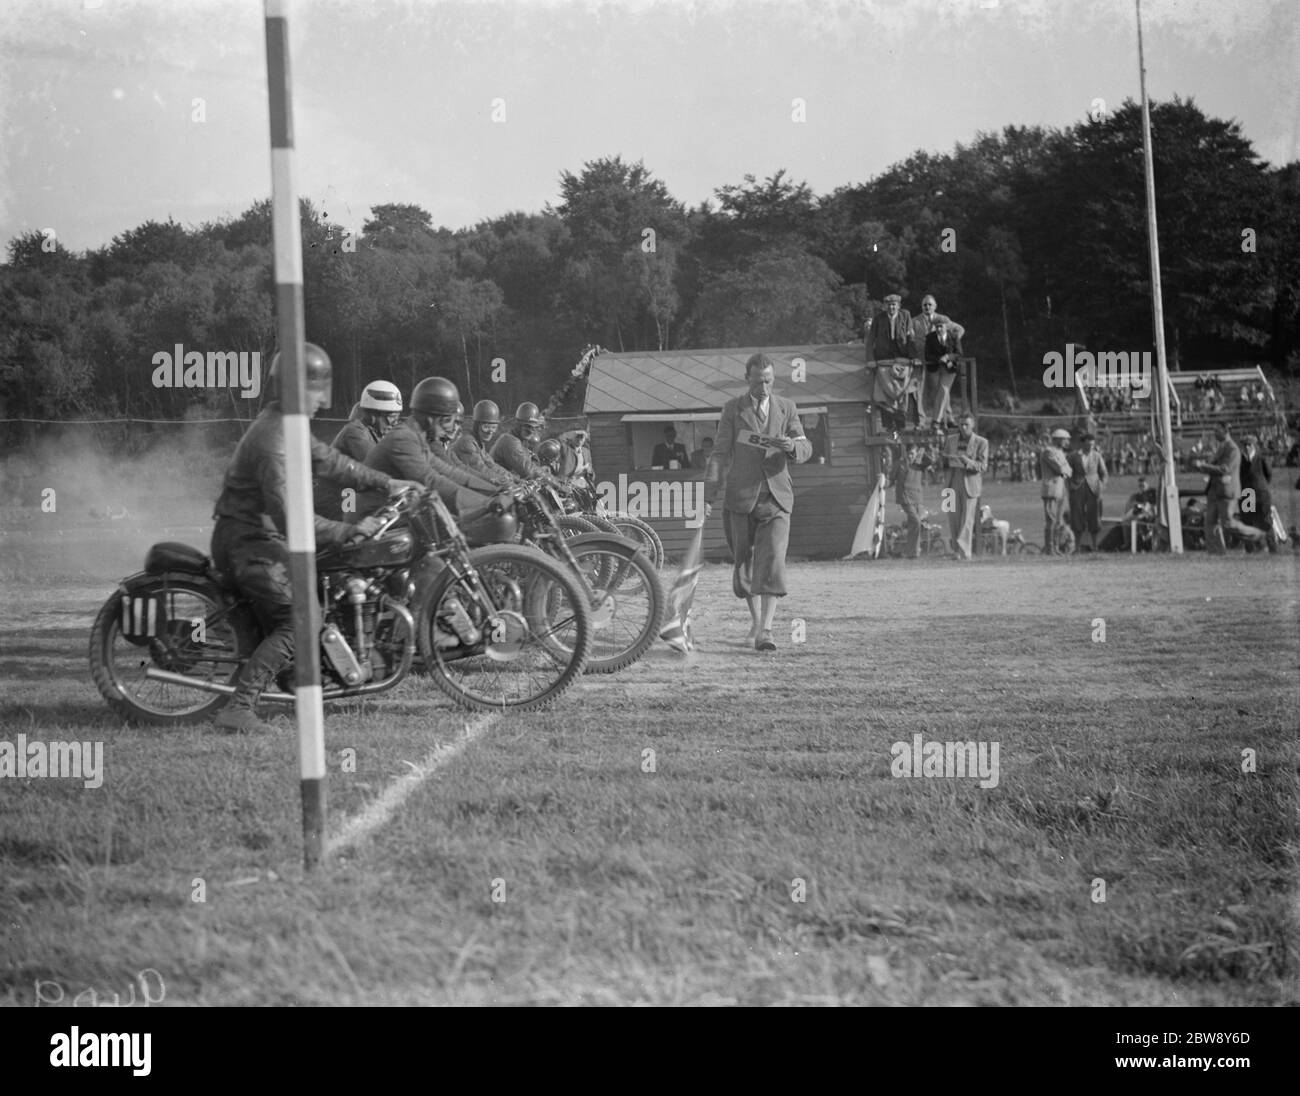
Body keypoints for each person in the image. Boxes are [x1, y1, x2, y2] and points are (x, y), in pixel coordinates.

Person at [210, 344, 418, 734]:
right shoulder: (272, 438)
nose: (323, 400)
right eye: (315, 389)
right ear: (290, 389)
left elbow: (332, 463)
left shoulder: (288, 426)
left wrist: (388, 482)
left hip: (259, 538)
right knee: (303, 619)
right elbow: (288, 515)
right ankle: (239, 706)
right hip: (248, 541)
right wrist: (347, 529)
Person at [704, 352, 812, 651]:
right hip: (740, 500)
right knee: (745, 566)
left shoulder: (787, 407)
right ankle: (754, 621)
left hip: (777, 499)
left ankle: (766, 630)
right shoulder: (732, 409)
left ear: (773, 379)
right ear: (746, 379)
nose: (764, 387)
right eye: (758, 381)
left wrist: (793, 447)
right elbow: (720, 454)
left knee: (773, 560)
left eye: (769, 381)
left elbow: (804, 445)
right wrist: (708, 495)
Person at [355, 376, 503, 521]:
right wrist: (485, 502)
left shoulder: (418, 437)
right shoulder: (403, 438)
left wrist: (494, 491)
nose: (450, 427)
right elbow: (431, 480)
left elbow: (450, 471)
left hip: (391, 510)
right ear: (429, 419)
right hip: (371, 518)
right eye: (446, 420)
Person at [316, 379, 404, 520]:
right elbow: (379, 467)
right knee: (366, 527)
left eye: (397, 418)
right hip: (338, 500)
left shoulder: (377, 434)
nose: (394, 424)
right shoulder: (355, 432)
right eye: (391, 417)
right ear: (374, 415)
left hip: (350, 496)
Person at [1194, 422, 1266, 554]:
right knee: (1209, 522)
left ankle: (1257, 535)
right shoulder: (1221, 447)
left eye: (1217, 430)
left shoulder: (1232, 449)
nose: (1215, 433)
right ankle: (1216, 552)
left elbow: (1225, 469)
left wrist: (1203, 466)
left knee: (1228, 524)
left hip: (1226, 491)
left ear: (1226, 431)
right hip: (1214, 490)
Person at [941, 413, 988, 560]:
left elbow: (983, 466)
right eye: (961, 424)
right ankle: (956, 551)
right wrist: (946, 460)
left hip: (970, 483)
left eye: (967, 424)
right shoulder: (950, 440)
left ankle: (964, 551)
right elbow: (943, 461)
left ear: (973, 425)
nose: (963, 427)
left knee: (967, 520)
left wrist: (968, 461)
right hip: (950, 483)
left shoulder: (982, 442)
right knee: (952, 518)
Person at [450, 399, 513, 486]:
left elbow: (492, 465)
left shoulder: (479, 443)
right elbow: (481, 470)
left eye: (494, 427)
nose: (490, 432)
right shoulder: (467, 442)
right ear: (476, 426)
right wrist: (508, 483)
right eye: (486, 427)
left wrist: (516, 479)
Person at [1067, 433, 1108, 552]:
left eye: (1092, 444)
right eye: (1088, 444)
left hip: (1093, 489)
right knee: (1076, 517)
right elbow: (1066, 472)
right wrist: (1070, 484)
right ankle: (1077, 547)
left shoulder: (1097, 456)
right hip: (1077, 489)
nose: (1090, 447)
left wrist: (1101, 485)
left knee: (1094, 517)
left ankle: (1095, 546)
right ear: (1082, 443)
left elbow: (1104, 473)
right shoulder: (1073, 456)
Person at [1238, 434, 1279, 553]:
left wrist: (1261, 486)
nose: (1247, 447)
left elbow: (1268, 474)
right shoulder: (1240, 459)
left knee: (1265, 521)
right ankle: (1250, 549)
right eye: (1244, 445)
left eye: (1249, 444)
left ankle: (1272, 548)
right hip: (1247, 493)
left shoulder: (1261, 458)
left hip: (1261, 494)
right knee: (1247, 521)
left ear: (1254, 445)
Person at [920, 318, 963, 428]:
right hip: (934, 368)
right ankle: (949, 419)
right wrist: (939, 359)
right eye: (937, 326)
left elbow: (959, 354)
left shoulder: (953, 337)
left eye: (941, 326)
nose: (939, 329)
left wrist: (948, 356)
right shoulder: (930, 338)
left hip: (949, 369)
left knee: (943, 390)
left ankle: (936, 421)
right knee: (941, 394)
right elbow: (927, 355)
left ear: (946, 327)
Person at [490, 401, 550, 478]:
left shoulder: (521, 442)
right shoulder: (510, 441)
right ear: (517, 423)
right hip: (497, 486)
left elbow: (531, 465)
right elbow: (528, 471)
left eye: (533, 427)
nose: (530, 431)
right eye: (527, 426)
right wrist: (557, 484)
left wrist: (541, 470)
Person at [894, 443, 931, 557]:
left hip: (917, 498)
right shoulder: (900, 464)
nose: (910, 456)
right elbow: (891, 477)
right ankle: (913, 552)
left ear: (916, 454)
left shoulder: (919, 464)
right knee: (916, 521)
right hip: (905, 497)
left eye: (912, 454)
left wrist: (922, 452)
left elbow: (930, 462)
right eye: (909, 453)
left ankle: (912, 552)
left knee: (914, 525)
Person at [1039, 428, 1072, 555]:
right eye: (1065, 440)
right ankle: (1049, 548)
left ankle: (1056, 547)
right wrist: (1064, 470)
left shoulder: (1060, 452)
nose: (1067, 443)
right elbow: (1059, 469)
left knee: (1059, 520)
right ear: (1058, 439)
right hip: (1050, 490)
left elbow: (1069, 470)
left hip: (1061, 489)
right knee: (1051, 520)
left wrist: (1065, 470)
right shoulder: (1048, 451)